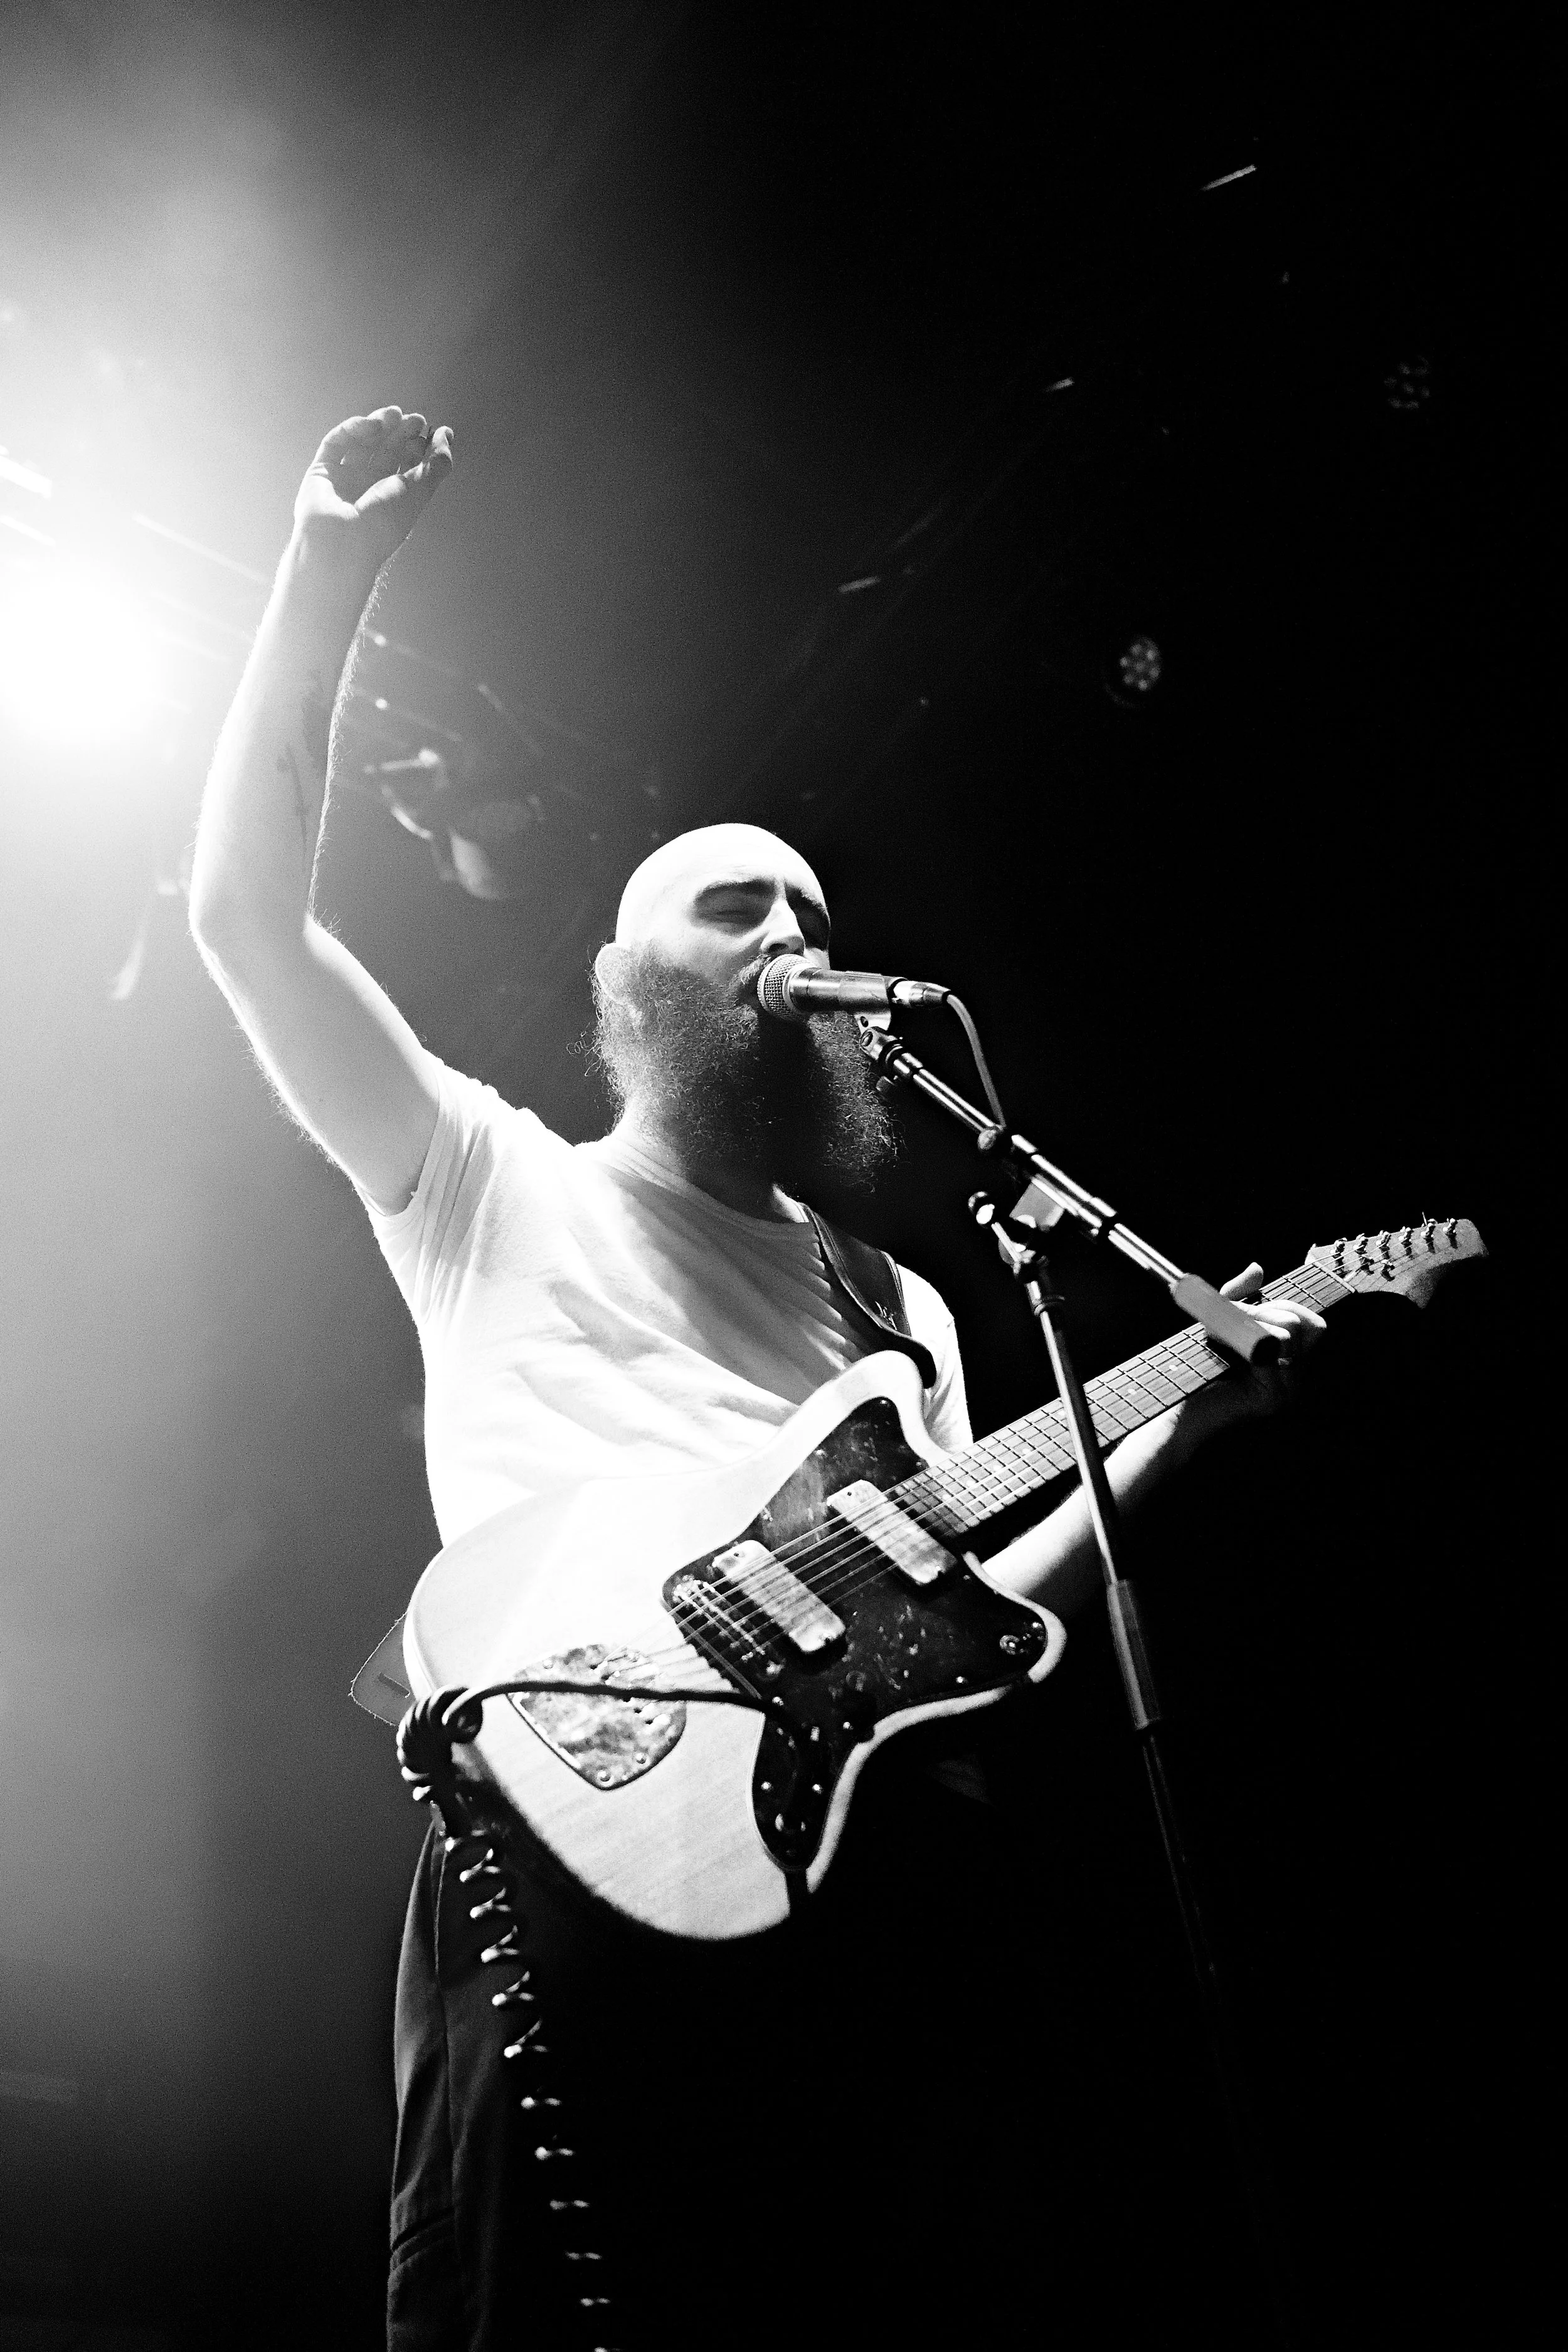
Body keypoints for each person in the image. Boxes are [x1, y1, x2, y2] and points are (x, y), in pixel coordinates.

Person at [189, 407, 1323, 2351]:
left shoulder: (897, 1308)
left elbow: (959, 1629)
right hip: (576, 1801)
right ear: (630, 971)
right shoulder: (484, 1179)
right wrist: (323, 571)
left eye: (807, 909)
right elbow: (245, 920)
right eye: (735, 906)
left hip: (836, 1873)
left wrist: (1178, 1424)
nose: (791, 935)